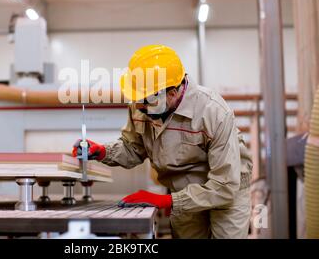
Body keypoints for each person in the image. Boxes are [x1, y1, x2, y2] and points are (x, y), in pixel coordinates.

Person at [73, 44, 253, 238]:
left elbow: (224, 186)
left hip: (226, 189)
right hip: (182, 187)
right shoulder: (141, 104)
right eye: (137, 99)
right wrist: (103, 151)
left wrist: (168, 201)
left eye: (145, 101)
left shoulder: (213, 112)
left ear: (172, 94)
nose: (139, 106)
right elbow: (133, 148)